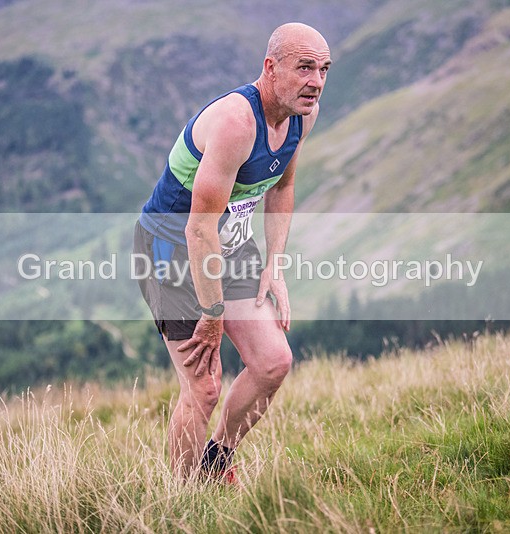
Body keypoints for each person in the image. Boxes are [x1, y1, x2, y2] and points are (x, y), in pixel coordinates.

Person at [133, 23, 331, 481]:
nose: (316, 81)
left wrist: (275, 266)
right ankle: (181, 501)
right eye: (304, 67)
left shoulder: (304, 114)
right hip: (172, 247)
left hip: (230, 245)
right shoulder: (236, 123)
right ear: (271, 67)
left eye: (323, 70)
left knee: (273, 362)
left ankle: (213, 461)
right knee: (203, 388)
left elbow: (283, 185)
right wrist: (213, 310)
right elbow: (199, 227)